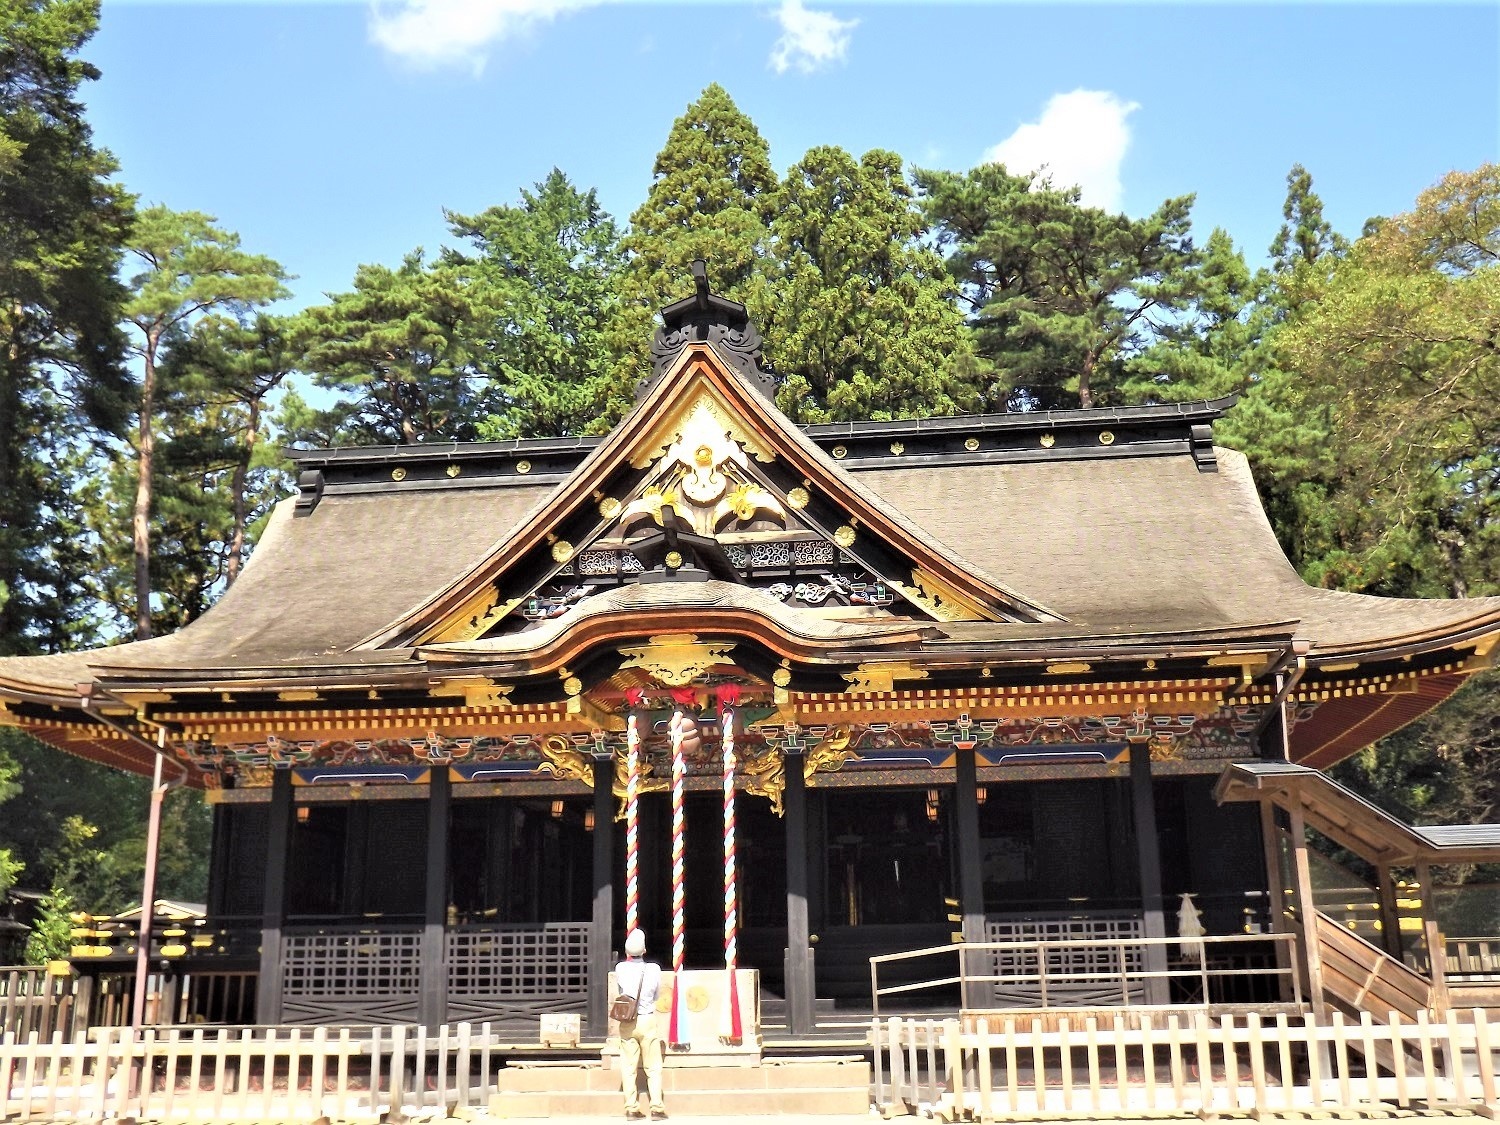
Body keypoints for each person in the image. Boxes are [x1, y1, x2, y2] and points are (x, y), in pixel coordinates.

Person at [615, 928, 666, 1120]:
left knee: (628, 1066)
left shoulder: (620, 968)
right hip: (647, 1019)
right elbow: (656, 995)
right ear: (644, 950)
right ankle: (657, 1108)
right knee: (653, 1066)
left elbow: (620, 990)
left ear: (627, 952)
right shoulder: (654, 969)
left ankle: (631, 1108)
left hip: (628, 1020)